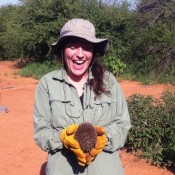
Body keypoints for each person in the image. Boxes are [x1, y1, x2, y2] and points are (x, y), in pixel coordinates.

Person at [34, 18, 131, 175]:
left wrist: (103, 138)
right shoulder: (47, 83)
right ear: (62, 50)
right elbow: (41, 132)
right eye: (73, 47)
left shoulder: (109, 81)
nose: (80, 54)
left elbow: (123, 123)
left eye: (86, 47)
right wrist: (63, 138)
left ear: (93, 53)